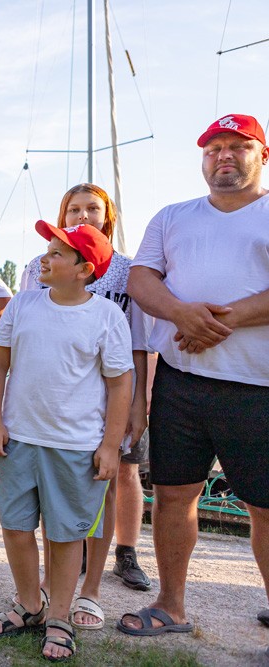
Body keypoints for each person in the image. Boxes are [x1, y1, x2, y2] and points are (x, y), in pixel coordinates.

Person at [120, 114, 269, 638]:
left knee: (265, 506)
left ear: (262, 155)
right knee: (173, 494)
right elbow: (141, 278)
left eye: (237, 146)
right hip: (181, 381)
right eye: (213, 148)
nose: (223, 155)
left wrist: (219, 321)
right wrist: (183, 315)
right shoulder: (172, 216)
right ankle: (171, 605)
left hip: (259, 386)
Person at [0, 221, 132, 661]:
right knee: (14, 525)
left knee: (67, 535)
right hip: (19, 439)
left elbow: (121, 384)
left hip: (76, 445)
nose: (43, 259)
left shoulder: (108, 316)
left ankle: (60, 617)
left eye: (55, 254)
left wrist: (110, 445)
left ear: (84, 269)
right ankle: (29, 602)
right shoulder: (23, 305)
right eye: (45, 251)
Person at [19, 183, 152, 627]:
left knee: (113, 479)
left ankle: (100, 579)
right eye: (72, 209)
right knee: (54, 493)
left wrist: (138, 403)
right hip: (57, 407)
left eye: (91, 209)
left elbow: (137, 343)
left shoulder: (128, 271)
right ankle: (54, 580)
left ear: (107, 215)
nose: (82, 215)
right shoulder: (36, 270)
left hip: (110, 398)